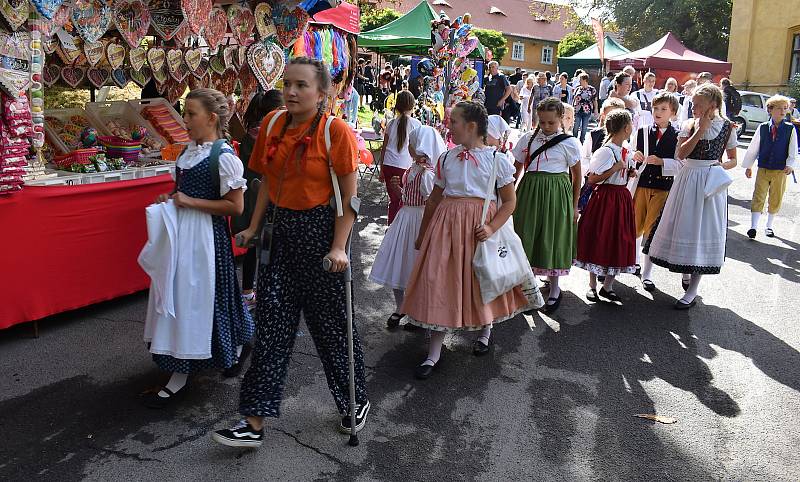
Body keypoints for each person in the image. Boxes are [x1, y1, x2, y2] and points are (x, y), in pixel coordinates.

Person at [212, 57, 369, 448]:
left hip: (322, 234)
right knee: (271, 329)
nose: (293, 91)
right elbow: (267, 180)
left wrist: (339, 247)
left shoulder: (336, 132)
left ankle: (355, 399)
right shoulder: (272, 124)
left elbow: (350, 199)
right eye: (288, 84)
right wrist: (253, 225)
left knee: (332, 328)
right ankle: (253, 422)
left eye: (302, 85)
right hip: (280, 232)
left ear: (322, 93)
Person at [142, 88, 254, 408]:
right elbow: (182, 191)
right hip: (181, 237)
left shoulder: (224, 157)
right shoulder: (187, 151)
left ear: (212, 118)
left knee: (201, 301)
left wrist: (189, 202)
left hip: (206, 238)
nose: (185, 119)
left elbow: (234, 207)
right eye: (185, 113)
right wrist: (172, 200)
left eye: (191, 114)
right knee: (178, 297)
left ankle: (214, 355)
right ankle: (182, 365)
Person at [402, 101, 529, 379]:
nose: (449, 126)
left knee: (480, 278)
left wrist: (493, 227)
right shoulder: (447, 158)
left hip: (479, 228)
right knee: (439, 282)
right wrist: (423, 234)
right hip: (446, 227)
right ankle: (434, 351)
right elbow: (434, 200)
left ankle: (486, 329)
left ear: (471, 126)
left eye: (454, 121)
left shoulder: (497, 159)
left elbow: (509, 201)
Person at [643, 83, 738, 309]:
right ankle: (674, 270)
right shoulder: (689, 125)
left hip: (709, 184)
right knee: (680, 225)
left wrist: (720, 165)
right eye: (693, 104)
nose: (693, 107)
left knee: (701, 232)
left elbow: (734, 159)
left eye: (698, 104)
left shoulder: (727, 127)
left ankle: (692, 290)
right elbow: (681, 154)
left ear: (713, 105)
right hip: (687, 179)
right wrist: (700, 130)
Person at [371, 126, 446, 328]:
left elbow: (430, 202)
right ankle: (401, 305)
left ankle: (417, 311)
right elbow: (408, 198)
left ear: (419, 147)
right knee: (398, 260)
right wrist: (398, 190)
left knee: (415, 264)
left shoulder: (428, 174)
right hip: (405, 217)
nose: (409, 148)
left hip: (419, 220)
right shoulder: (414, 168)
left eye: (411, 144)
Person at [512, 98, 583, 314]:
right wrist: (508, 198)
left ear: (561, 119)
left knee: (552, 236)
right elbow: (515, 170)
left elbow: (577, 176)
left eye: (550, 122)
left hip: (556, 194)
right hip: (530, 191)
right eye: (542, 122)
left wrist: (574, 205)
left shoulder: (569, 143)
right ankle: (528, 286)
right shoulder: (528, 139)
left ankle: (554, 288)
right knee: (527, 235)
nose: (545, 126)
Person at [575, 109, 638, 304]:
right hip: (605, 199)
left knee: (618, 239)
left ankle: (608, 286)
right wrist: (614, 169)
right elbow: (592, 178)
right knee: (599, 238)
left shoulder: (624, 150)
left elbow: (620, 173)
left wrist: (629, 172)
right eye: (631, 125)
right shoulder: (606, 151)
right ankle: (593, 286)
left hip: (621, 198)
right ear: (626, 128)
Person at [234, 89, 284, 313]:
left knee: (258, 248)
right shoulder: (260, 135)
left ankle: (251, 293)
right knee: (261, 247)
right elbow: (263, 172)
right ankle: (253, 294)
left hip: (255, 197)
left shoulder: (254, 133)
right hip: (258, 198)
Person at [629, 92, 682, 291]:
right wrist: (634, 155)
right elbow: (630, 153)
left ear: (673, 113)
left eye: (663, 109)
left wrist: (662, 162)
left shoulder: (678, 136)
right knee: (634, 225)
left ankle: (647, 273)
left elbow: (681, 164)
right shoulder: (642, 131)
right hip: (641, 185)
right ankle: (631, 261)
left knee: (653, 229)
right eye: (655, 108)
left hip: (662, 188)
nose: (658, 112)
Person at [742, 95, 797, 239]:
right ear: (770, 110)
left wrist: (790, 165)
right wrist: (749, 166)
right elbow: (754, 147)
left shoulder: (789, 129)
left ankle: (769, 226)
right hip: (764, 167)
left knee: (775, 197)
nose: (783, 111)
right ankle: (753, 227)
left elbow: (792, 150)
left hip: (780, 170)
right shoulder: (763, 127)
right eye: (779, 108)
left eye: (785, 108)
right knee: (759, 195)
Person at [379, 91, 422, 225]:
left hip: (389, 165)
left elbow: (384, 148)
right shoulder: (416, 124)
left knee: (394, 200)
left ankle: (391, 226)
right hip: (405, 167)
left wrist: (381, 169)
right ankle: (399, 230)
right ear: (412, 105)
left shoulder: (391, 124)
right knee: (404, 200)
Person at [580, 97, 626, 176]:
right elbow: (585, 156)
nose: (614, 120)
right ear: (603, 115)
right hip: (595, 178)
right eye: (610, 115)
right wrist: (589, 171)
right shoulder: (594, 135)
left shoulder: (625, 135)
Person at [572, 72, 598, 143]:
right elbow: (574, 99)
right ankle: (574, 141)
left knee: (584, 128)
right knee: (575, 127)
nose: (579, 81)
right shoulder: (577, 89)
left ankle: (581, 142)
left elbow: (595, 100)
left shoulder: (592, 89)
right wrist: (572, 108)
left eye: (580, 80)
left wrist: (596, 109)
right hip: (577, 110)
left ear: (585, 80)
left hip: (587, 111)